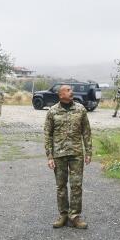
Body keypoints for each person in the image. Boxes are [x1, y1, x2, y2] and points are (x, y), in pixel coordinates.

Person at [44, 84, 92, 229]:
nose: (71, 92)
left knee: (76, 186)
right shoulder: (52, 112)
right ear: (60, 95)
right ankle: (63, 214)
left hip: (76, 154)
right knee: (61, 186)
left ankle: (75, 216)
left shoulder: (80, 109)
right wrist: (50, 156)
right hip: (59, 154)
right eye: (68, 90)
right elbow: (47, 135)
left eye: (71, 90)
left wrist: (88, 151)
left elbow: (86, 131)